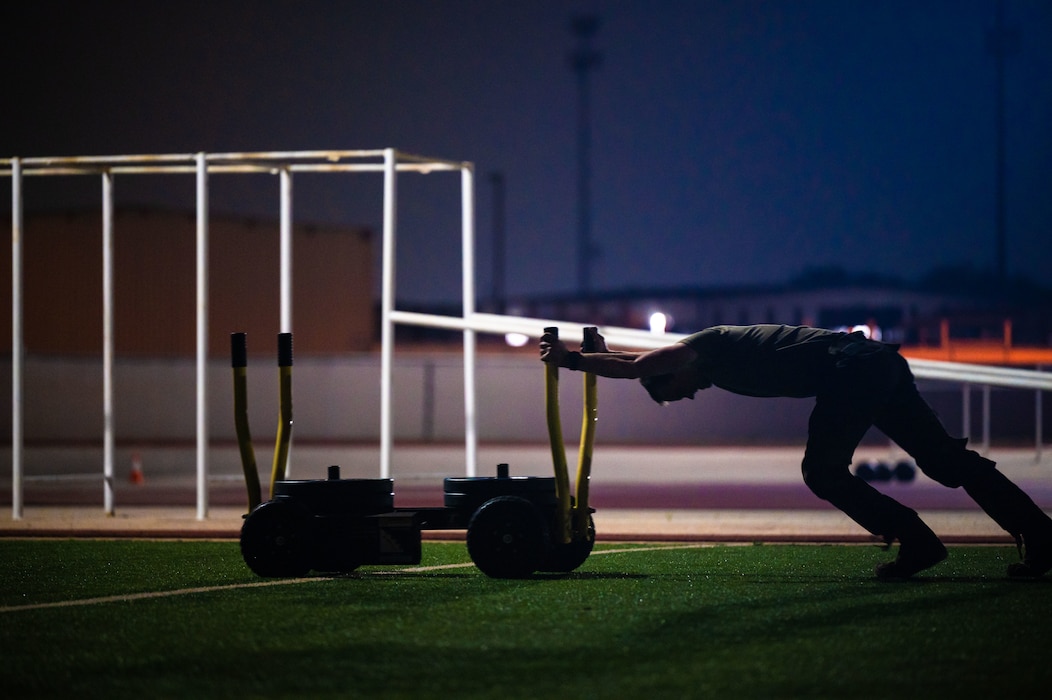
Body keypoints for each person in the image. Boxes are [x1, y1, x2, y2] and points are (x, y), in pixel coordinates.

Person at [539, 324, 1052, 580]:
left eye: (683, 390)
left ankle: (920, 543)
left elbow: (636, 366)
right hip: (871, 363)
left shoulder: (706, 346)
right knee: (943, 461)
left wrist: (572, 359)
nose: (696, 393)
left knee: (822, 471)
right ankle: (1041, 536)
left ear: (673, 370)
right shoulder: (710, 362)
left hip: (852, 369)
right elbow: (633, 363)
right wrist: (597, 353)